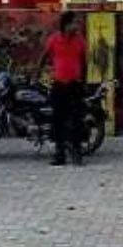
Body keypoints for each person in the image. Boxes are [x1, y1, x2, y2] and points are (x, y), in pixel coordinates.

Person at [37, 11, 86, 167]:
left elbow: (84, 61)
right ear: (66, 24)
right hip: (59, 84)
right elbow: (44, 57)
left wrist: (83, 80)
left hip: (74, 84)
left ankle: (77, 153)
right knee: (58, 120)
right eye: (75, 23)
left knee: (77, 119)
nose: (77, 26)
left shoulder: (80, 40)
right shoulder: (54, 39)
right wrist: (37, 73)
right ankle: (60, 154)